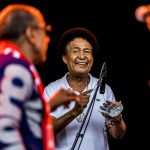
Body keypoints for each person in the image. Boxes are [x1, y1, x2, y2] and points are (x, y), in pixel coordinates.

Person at [0, 4, 81, 150]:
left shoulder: (7, 61)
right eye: (45, 31)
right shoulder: (15, 68)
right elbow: (4, 128)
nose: (47, 39)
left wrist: (47, 105)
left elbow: (19, 117)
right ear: (31, 33)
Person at [43, 27, 126, 150]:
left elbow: (118, 135)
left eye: (87, 51)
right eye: (76, 51)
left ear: (92, 58)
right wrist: (74, 112)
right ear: (65, 58)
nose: (82, 56)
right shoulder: (51, 90)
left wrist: (118, 120)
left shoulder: (105, 89)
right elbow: (46, 132)